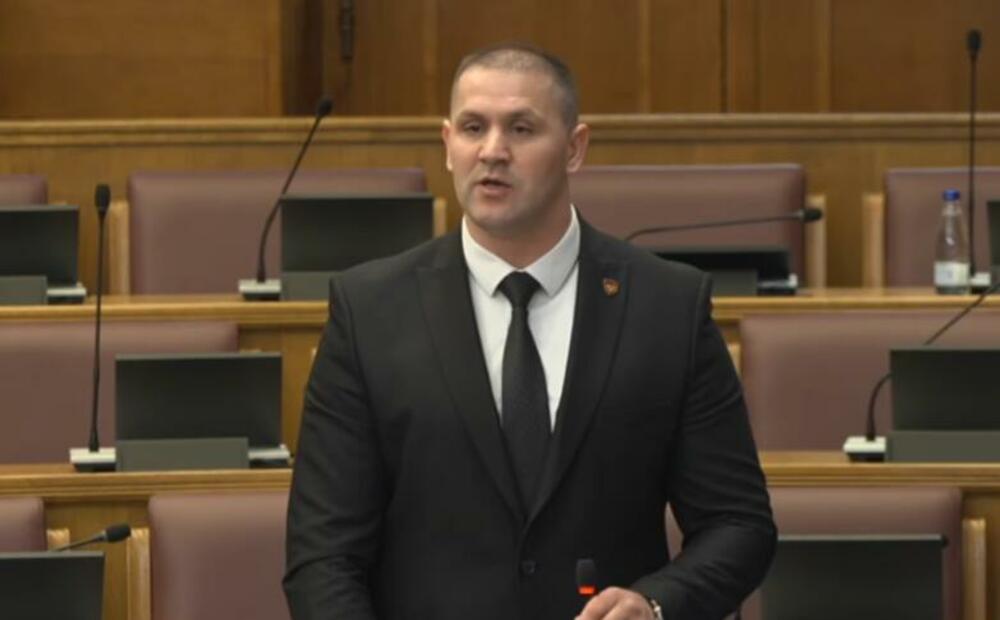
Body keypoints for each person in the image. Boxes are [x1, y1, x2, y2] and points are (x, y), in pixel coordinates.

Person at [284, 43, 776, 620]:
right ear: (448, 144)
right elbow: (323, 556)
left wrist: (656, 604)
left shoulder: (667, 305)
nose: (493, 151)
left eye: (521, 128)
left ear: (574, 148)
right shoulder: (370, 310)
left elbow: (737, 524)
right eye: (473, 127)